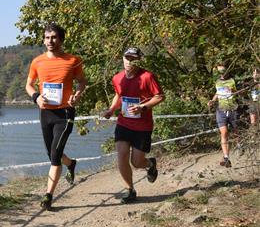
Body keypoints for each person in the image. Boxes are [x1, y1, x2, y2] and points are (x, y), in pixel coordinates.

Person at [25, 22, 87, 210]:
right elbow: (29, 85)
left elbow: (82, 82)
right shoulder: (37, 61)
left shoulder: (73, 60)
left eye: (53, 37)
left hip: (65, 113)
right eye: (47, 37)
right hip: (45, 112)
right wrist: (36, 97)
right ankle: (71, 163)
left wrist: (77, 95)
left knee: (54, 155)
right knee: (52, 153)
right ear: (43, 40)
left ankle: (48, 196)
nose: (50, 41)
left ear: (61, 39)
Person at [101, 48, 164, 203]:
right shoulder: (117, 78)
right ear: (123, 59)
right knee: (121, 155)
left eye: (133, 59)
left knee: (136, 162)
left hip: (142, 126)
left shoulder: (147, 77)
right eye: (127, 58)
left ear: (139, 60)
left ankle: (150, 164)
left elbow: (159, 96)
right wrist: (111, 109)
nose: (129, 62)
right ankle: (130, 190)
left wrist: (143, 107)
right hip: (123, 123)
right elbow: (119, 95)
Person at [208, 63, 238, 167]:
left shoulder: (233, 80)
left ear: (227, 70)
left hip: (232, 109)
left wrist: (234, 91)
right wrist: (212, 100)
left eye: (223, 71)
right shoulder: (217, 81)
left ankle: (240, 146)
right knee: (224, 133)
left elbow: (240, 92)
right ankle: (226, 158)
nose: (221, 74)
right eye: (219, 72)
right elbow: (217, 92)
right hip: (221, 110)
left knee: (236, 132)